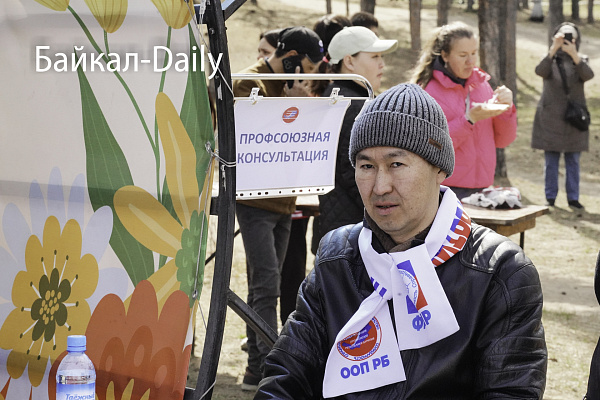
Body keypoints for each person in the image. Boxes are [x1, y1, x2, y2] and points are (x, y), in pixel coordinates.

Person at [255, 83, 547, 398]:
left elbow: (509, 391)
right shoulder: (337, 256)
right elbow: (286, 376)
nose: (380, 186)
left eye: (396, 164)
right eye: (366, 166)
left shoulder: (500, 272)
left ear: (439, 168)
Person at [232, 26, 324, 392]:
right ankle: (268, 369)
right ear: (291, 59)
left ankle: (256, 369)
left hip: (285, 198)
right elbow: (253, 136)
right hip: (255, 200)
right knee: (267, 285)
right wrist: (294, 105)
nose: (310, 77)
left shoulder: (292, 86)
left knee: (265, 284)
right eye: (308, 67)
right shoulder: (248, 82)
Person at [311, 26, 398, 254]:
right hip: (356, 235)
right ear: (349, 61)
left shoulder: (334, 97)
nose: (382, 64)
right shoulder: (356, 105)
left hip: (338, 230)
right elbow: (354, 173)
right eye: (375, 57)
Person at [411, 21, 517, 200]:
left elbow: (503, 140)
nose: (470, 61)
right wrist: (468, 120)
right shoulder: (428, 92)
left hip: (482, 188)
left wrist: (507, 109)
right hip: (445, 190)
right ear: (445, 55)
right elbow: (430, 147)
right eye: (463, 55)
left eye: (474, 53)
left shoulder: (482, 85)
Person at [531, 22, 593, 210]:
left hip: (574, 120)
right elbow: (540, 71)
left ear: (576, 40)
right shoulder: (549, 59)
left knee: (573, 161)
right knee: (551, 161)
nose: (566, 40)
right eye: (562, 36)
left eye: (570, 37)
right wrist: (553, 48)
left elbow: (588, 75)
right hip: (551, 118)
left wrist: (574, 54)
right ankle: (550, 197)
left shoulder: (581, 60)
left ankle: (573, 198)